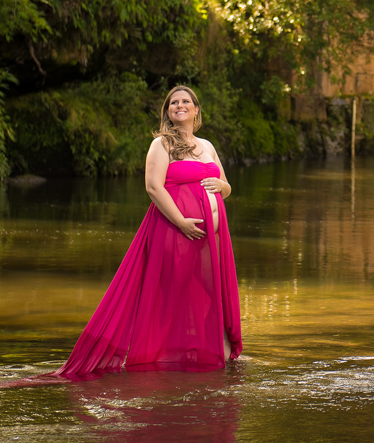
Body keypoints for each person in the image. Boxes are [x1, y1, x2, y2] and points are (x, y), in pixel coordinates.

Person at [55, 86, 242, 378]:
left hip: (211, 240)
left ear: (196, 110)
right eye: (173, 102)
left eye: (186, 101)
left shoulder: (207, 146)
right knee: (170, 292)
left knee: (213, 292)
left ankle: (218, 352)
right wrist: (181, 221)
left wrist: (222, 187)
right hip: (175, 231)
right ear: (167, 111)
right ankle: (149, 355)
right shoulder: (161, 144)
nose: (179, 105)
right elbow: (153, 187)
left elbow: (226, 186)